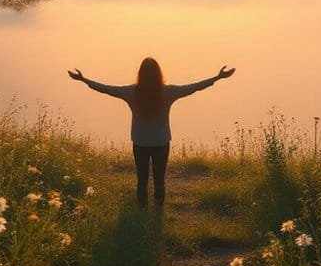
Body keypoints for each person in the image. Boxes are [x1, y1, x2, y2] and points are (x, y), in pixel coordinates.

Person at [68, 58, 235, 209]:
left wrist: (83, 80)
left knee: (142, 180)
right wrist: (217, 77)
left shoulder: (132, 92)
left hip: (140, 142)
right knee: (159, 179)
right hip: (161, 143)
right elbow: (194, 87)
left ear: (140, 74)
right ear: (158, 73)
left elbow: (105, 89)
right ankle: (158, 213)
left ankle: (142, 211)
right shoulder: (168, 91)